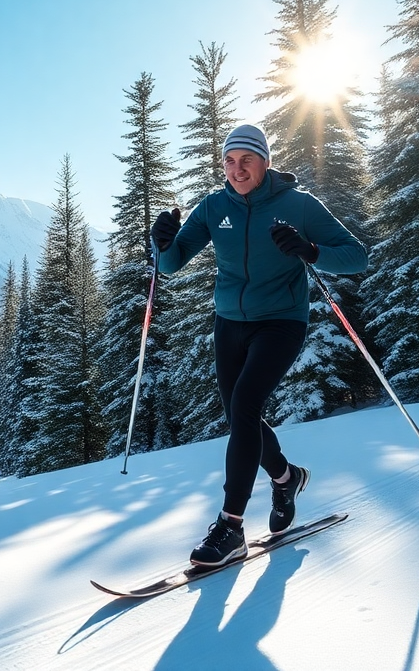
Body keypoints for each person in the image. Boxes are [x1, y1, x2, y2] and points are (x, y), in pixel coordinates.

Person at [151, 123, 367, 566]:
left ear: (265, 161)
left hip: (281, 321)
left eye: (246, 159)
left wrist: (309, 249)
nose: (236, 169)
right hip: (229, 323)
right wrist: (162, 241)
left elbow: (356, 256)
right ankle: (286, 478)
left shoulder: (298, 204)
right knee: (239, 417)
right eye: (229, 161)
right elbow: (170, 265)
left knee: (246, 406)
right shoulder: (214, 207)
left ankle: (230, 526)